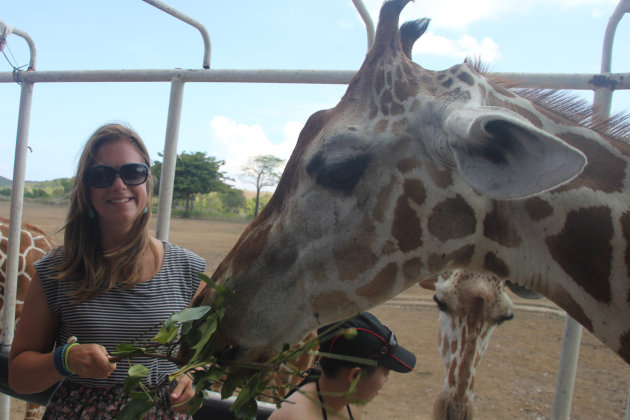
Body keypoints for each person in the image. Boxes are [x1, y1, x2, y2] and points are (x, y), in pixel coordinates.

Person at [8, 123, 206, 419]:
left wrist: (196, 377)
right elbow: (19, 377)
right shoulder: (56, 271)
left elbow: (204, 357)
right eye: (101, 176)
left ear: (148, 181)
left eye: (132, 172)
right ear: (86, 190)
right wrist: (65, 360)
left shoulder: (189, 270)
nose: (118, 185)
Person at [269, 312, 416, 420]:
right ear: (355, 376)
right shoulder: (296, 416)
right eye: (385, 373)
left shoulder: (351, 404)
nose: (386, 380)